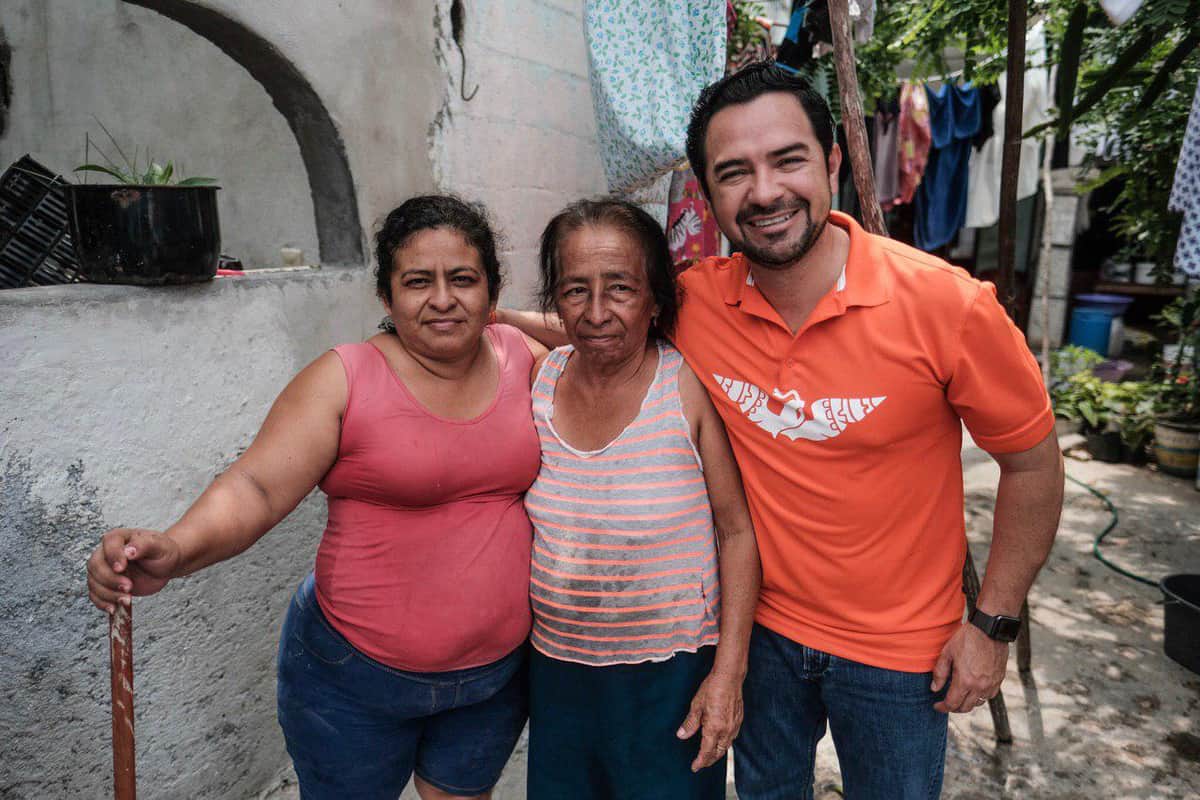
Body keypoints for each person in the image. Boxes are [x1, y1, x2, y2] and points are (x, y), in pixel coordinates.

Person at [502, 62, 1065, 800]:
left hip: (899, 654)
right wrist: (474, 320)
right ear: (708, 192)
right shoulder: (696, 303)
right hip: (758, 637)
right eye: (734, 172)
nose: (764, 192)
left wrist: (991, 625)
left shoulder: (946, 306)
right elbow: (599, 325)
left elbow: (1032, 465)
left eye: (787, 160)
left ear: (831, 159)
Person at [86, 195, 547, 800]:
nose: (442, 299)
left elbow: (617, 330)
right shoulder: (344, 378)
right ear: (386, 296)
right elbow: (254, 486)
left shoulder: (525, 361)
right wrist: (177, 548)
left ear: (490, 291)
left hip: (491, 682)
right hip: (354, 681)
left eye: (463, 279)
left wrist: (509, 319)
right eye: (417, 282)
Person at [525, 199, 761, 800]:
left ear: (656, 298)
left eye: (621, 289)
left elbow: (737, 533)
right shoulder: (540, 380)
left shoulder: (684, 388)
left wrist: (727, 676)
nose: (597, 312)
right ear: (554, 299)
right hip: (557, 671)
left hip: (671, 675)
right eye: (576, 290)